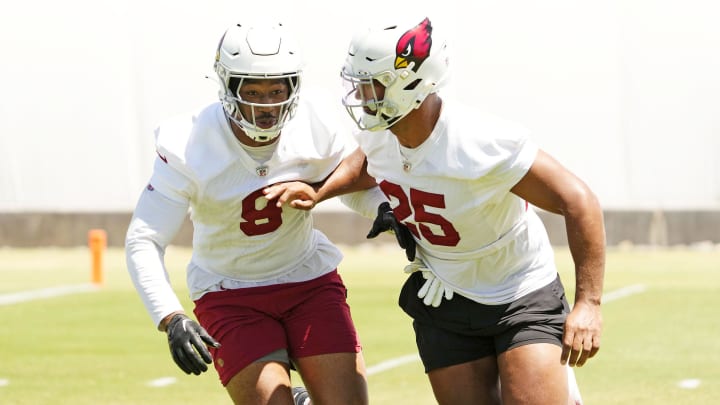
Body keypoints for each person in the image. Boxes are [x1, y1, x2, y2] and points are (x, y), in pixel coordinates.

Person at [264, 16, 605, 405]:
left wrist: (588, 304)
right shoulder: (381, 135)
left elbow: (579, 201)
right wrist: (318, 192)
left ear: (412, 83)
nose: (361, 94)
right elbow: (365, 164)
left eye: (372, 83)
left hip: (518, 292)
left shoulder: (479, 141)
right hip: (445, 295)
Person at [125, 21, 385, 405]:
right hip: (230, 293)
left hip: (308, 281)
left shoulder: (314, 119)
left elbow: (349, 185)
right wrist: (171, 316)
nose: (267, 105)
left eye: (276, 90)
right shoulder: (188, 141)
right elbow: (144, 238)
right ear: (229, 87)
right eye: (253, 92)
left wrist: (383, 209)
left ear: (293, 87)